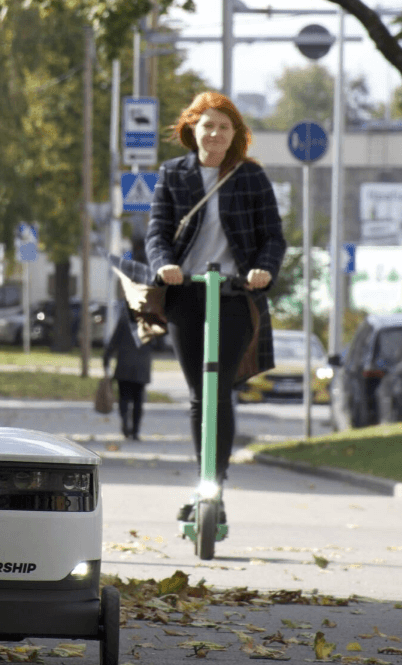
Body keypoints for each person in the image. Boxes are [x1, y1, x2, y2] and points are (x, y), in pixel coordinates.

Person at [122, 91, 286, 522]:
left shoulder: (250, 177)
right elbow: (157, 233)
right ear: (192, 128)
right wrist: (166, 265)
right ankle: (203, 486)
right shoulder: (173, 174)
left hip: (234, 294)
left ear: (235, 135)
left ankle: (215, 488)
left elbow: (273, 237)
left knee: (221, 391)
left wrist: (263, 270)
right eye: (208, 125)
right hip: (187, 294)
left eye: (224, 127)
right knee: (199, 395)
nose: (215, 134)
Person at [103, 301, 153, 441]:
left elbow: (114, 341)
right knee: (138, 401)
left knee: (124, 398)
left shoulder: (124, 319)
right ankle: (135, 431)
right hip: (142, 367)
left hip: (124, 365)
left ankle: (125, 422)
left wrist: (106, 358)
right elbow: (157, 342)